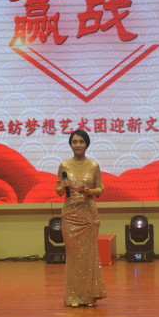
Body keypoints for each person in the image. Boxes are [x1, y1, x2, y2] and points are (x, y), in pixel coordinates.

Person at [56, 130, 107, 307]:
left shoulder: (93, 165)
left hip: (88, 215)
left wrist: (91, 191)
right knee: (73, 256)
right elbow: (58, 190)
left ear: (87, 144)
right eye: (75, 142)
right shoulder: (64, 165)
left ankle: (88, 296)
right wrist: (62, 186)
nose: (78, 145)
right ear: (70, 144)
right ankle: (73, 297)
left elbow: (100, 188)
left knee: (88, 256)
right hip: (70, 214)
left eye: (81, 142)